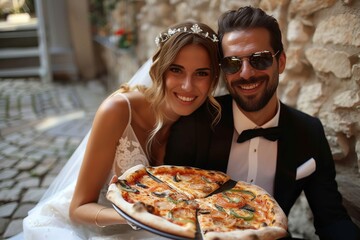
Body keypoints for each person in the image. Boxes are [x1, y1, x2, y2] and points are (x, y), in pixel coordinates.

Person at [164, 6, 360, 240]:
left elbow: (332, 219)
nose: (246, 73)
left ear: (282, 61)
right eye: (233, 63)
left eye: (260, 59)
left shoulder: (310, 132)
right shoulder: (195, 124)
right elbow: (171, 209)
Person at [19, 21, 221, 240]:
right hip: (90, 227)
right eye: (176, 70)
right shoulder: (118, 110)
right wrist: (131, 215)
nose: (187, 86)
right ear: (159, 69)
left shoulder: (206, 120)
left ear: (213, 79)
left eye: (201, 73)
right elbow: (78, 209)